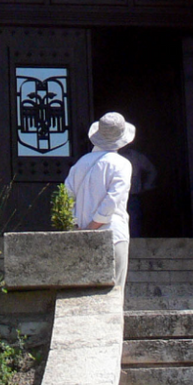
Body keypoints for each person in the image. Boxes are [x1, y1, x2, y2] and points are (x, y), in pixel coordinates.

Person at [65, 111, 135, 287]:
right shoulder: (122, 164)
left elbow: (66, 198)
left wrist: (77, 227)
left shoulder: (80, 164)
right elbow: (112, 201)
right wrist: (93, 227)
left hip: (80, 234)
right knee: (114, 291)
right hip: (113, 233)